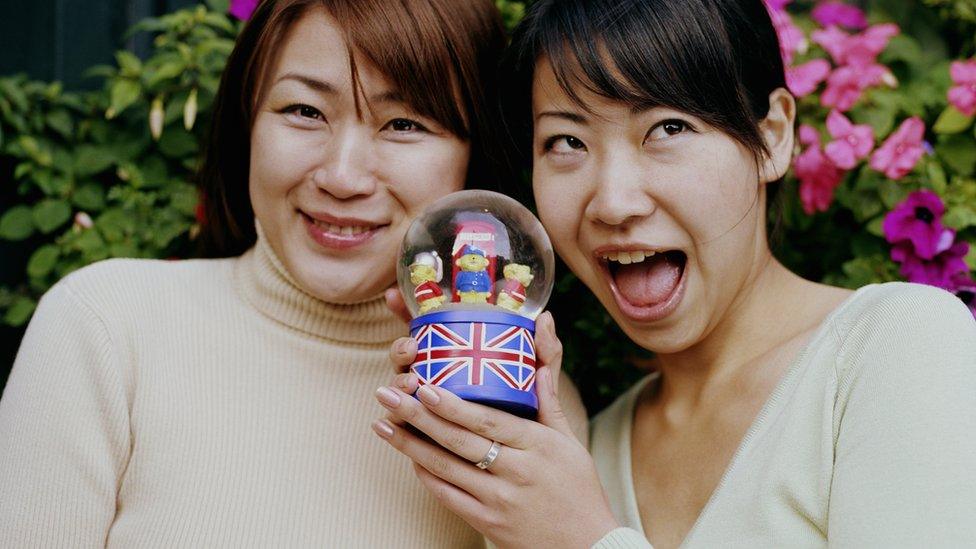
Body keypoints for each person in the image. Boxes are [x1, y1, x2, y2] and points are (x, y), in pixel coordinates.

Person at [372, 0, 976, 547]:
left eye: (667, 128)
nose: (612, 202)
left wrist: (584, 540)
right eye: (565, 142)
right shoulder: (580, 452)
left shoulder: (898, 348)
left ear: (772, 138)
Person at [0, 0, 587, 546]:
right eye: (304, 111)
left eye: (404, 123)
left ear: (472, 155)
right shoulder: (106, 326)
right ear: (248, 120)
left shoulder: (526, 398)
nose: (342, 175)